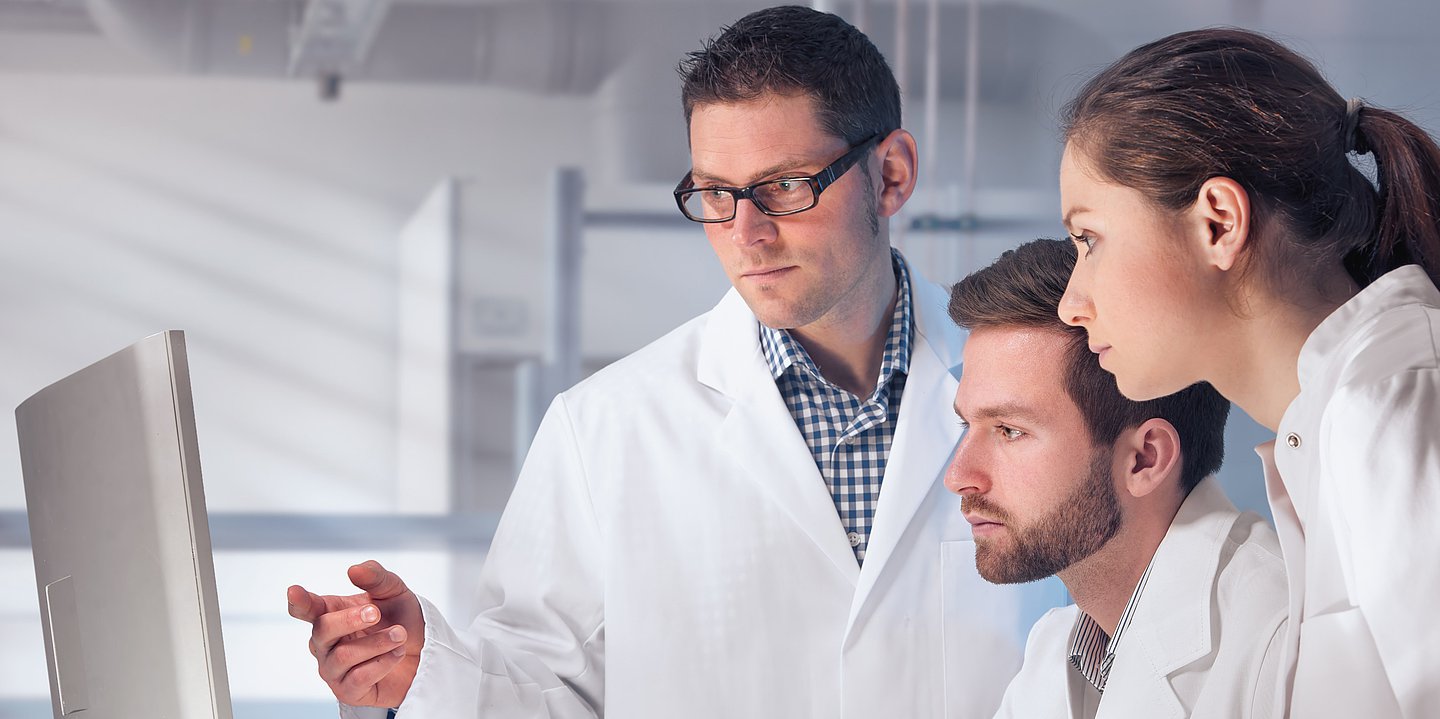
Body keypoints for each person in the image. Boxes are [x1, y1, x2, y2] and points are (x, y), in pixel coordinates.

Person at [288, 6, 1044, 718]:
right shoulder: (605, 428)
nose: (745, 233)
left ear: (891, 174)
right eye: (716, 193)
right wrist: (425, 671)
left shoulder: (1045, 386)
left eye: (784, 187)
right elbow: (544, 687)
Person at [1055, 28, 1440, 718]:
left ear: (1219, 223)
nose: (1071, 302)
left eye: (1089, 240)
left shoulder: (1387, 407)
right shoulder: (1335, 419)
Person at [945, 239, 1287, 718]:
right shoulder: (1054, 652)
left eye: (1010, 430)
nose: (960, 476)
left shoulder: (1285, 643)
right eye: (967, 424)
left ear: (1145, 460)